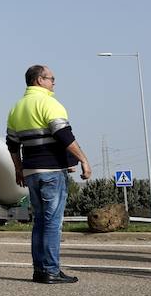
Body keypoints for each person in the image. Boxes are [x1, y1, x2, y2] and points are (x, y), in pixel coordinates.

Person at [6, 65, 92, 284]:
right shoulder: (49, 103)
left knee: (40, 223)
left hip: (31, 172)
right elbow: (63, 134)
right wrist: (82, 159)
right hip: (51, 172)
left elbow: (12, 144)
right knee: (53, 223)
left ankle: (40, 270)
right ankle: (51, 270)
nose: (54, 83)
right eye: (51, 78)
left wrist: (19, 169)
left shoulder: (17, 108)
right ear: (39, 80)